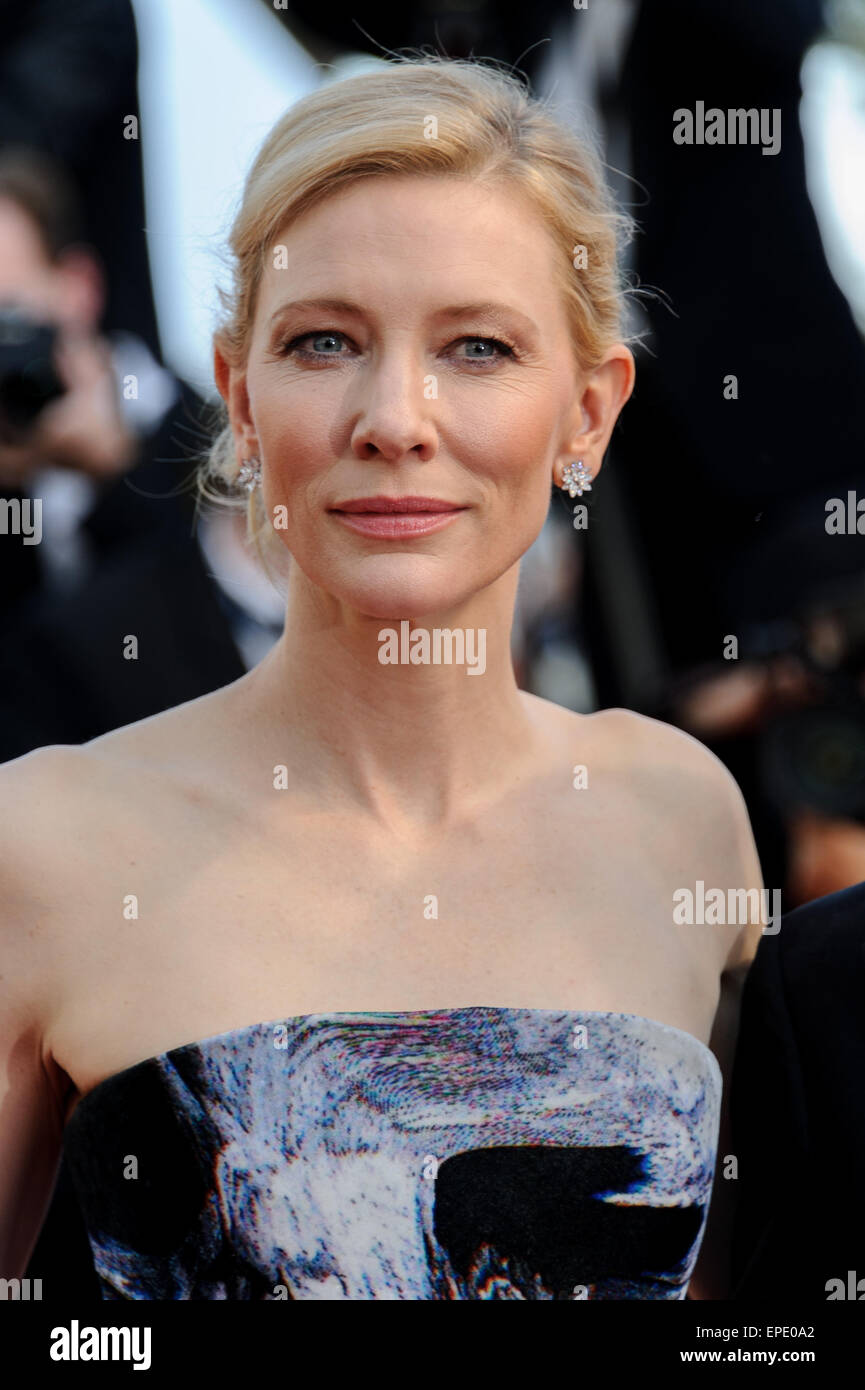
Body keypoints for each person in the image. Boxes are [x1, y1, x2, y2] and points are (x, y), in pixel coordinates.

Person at [0, 56, 764, 1301]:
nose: (394, 416)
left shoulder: (682, 821)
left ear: (587, 412)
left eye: (474, 345)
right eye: (323, 342)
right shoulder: (42, 845)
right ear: (241, 401)